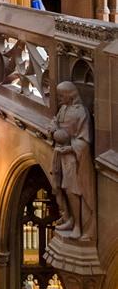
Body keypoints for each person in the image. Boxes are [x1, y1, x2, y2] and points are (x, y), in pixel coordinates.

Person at [49, 79, 96, 240]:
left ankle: (78, 225)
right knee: (58, 187)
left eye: (61, 95)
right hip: (59, 155)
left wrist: (69, 148)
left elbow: (84, 141)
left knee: (72, 190)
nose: (59, 98)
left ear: (70, 95)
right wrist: (53, 129)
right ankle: (68, 217)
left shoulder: (81, 112)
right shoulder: (63, 109)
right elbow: (55, 122)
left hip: (72, 158)